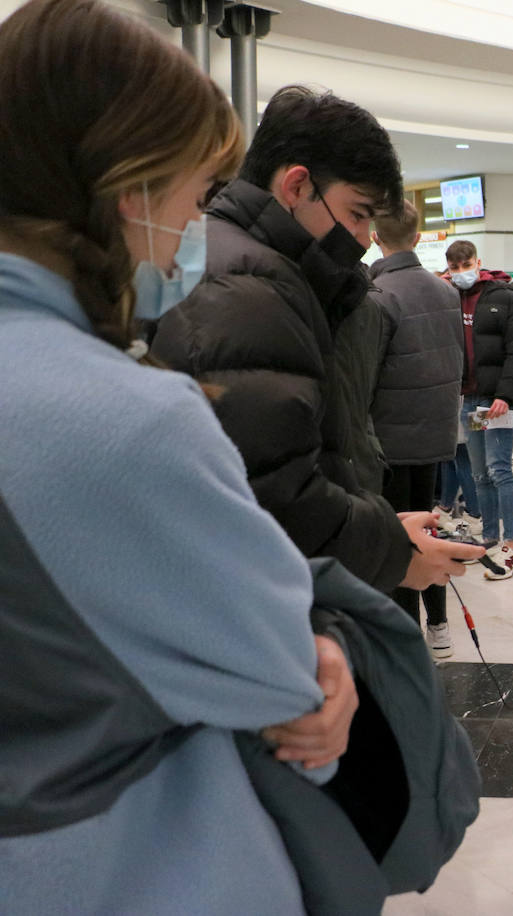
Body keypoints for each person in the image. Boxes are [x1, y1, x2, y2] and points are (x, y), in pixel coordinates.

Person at [0, 1, 357, 908]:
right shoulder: (123, 418)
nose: (198, 227)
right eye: (196, 197)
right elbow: (280, 687)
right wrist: (318, 655)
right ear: (133, 189)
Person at [151, 86, 481, 593]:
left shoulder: (252, 266)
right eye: (356, 213)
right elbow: (273, 495)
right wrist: (391, 552)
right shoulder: (249, 288)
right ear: (297, 186)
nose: (363, 237)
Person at [368, 199, 465, 655]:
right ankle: (441, 626)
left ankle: (408, 638)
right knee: (428, 526)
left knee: (398, 536)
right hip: (434, 432)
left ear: (374, 236)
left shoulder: (378, 295)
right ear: (419, 235)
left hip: (388, 438)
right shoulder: (446, 292)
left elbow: (368, 373)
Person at [446, 239, 513, 579]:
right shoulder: (450, 297)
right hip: (470, 400)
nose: (460, 272)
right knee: (480, 474)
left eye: (465, 265)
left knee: (500, 470)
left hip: (495, 401)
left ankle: (512, 545)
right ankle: (490, 538)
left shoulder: (505, 298)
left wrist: (507, 395)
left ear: (477, 262)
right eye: (454, 267)